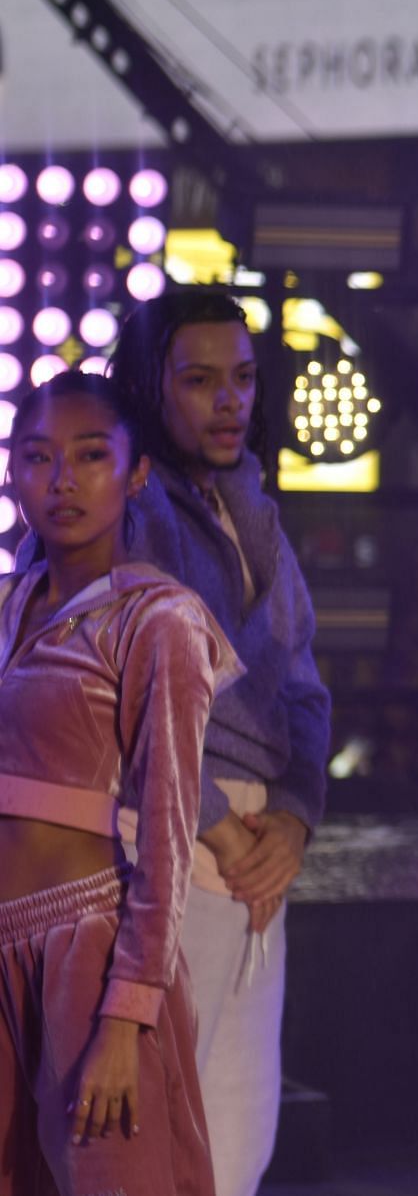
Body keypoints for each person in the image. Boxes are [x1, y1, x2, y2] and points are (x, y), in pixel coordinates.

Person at [108, 288, 330, 1195]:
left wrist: (295, 818)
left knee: (237, 1141)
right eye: (200, 380)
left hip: (248, 853)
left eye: (242, 378)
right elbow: (113, 697)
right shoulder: (124, 507)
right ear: (152, 387)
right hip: (154, 834)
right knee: (144, 1135)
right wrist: (215, 825)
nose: (229, 399)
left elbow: (305, 687)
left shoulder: (253, 509)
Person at [0, 371, 240, 1195]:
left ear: (137, 473)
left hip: (87, 953)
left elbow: (170, 832)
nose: (62, 479)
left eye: (91, 455)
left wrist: (123, 1018)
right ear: (11, 472)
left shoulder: (158, 619)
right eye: (38, 457)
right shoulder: (6, 606)